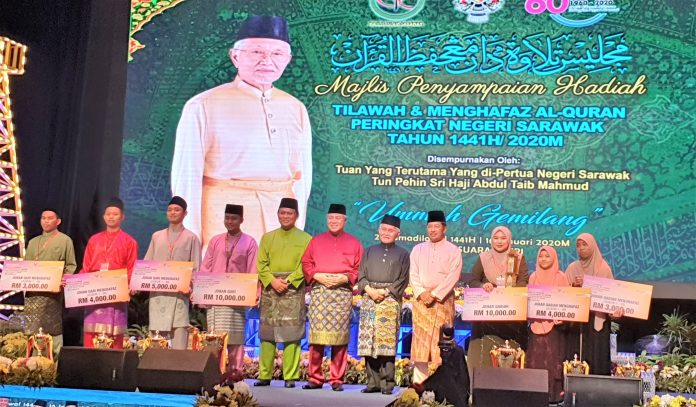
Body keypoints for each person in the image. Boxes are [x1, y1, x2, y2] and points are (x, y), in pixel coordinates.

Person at [171, 14, 312, 248]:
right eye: (257, 52)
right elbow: (186, 177)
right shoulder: (203, 104)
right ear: (235, 56)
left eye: (277, 54)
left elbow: (303, 179)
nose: (267, 61)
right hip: (224, 218)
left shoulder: (295, 107)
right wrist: (191, 242)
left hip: (280, 220)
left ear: (288, 59)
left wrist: (298, 230)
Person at [301, 204, 363, 391]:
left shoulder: (354, 243)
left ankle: (337, 379)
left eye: (338, 218)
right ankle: (315, 377)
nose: (334, 221)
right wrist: (317, 276)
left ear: (345, 220)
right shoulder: (316, 241)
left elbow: (359, 268)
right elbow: (306, 263)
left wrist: (345, 278)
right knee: (316, 338)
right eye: (331, 218)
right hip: (320, 292)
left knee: (340, 340)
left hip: (342, 293)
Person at [254, 198, 311, 388]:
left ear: (296, 215)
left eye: (289, 213)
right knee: (267, 334)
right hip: (270, 290)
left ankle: (290, 376)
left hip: (293, 289)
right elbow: (261, 264)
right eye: (282, 213)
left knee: (292, 334)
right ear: (278, 214)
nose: (285, 216)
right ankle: (264, 375)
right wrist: (272, 281)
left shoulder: (306, 238)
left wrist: (289, 280)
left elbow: (306, 264)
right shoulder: (267, 237)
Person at [198, 204, 258, 372]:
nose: (230, 221)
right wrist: (202, 293)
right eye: (227, 218)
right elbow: (206, 267)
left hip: (236, 300)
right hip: (215, 299)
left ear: (241, 220)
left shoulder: (249, 242)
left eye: (234, 218)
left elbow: (253, 270)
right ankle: (213, 373)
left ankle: (235, 374)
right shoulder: (215, 240)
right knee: (214, 339)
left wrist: (253, 294)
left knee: (235, 339)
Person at [357, 214, 409, 395]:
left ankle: (387, 384)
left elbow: (403, 279)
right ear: (379, 231)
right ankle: (372, 383)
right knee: (369, 342)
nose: (386, 233)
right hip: (369, 299)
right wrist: (370, 291)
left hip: (390, 300)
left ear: (398, 233)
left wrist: (385, 292)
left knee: (386, 343)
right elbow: (361, 276)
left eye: (390, 230)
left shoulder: (403, 254)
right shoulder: (369, 251)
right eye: (384, 229)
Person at [409, 210, 462, 384]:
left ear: (444, 229)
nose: (432, 230)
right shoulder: (417, 249)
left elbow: (453, 276)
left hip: (443, 301)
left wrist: (435, 294)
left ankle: (443, 386)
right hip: (421, 302)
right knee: (421, 346)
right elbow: (412, 274)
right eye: (430, 226)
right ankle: (419, 385)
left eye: (436, 226)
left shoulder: (454, 250)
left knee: (442, 345)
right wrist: (422, 293)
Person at [143, 196, 201, 349]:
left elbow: (196, 268)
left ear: (185, 213)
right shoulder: (157, 236)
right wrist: (139, 282)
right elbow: (147, 264)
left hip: (179, 296)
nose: (172, 212)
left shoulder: (191, 238)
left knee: (179, 338)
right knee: (156, 342)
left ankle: (178, 365)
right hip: (158, 294)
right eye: (169, 210)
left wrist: (191, 287)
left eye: (177, 210)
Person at [81, 197, 138, 349]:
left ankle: (113, 364)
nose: (111, 217)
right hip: (94, 293)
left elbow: (132, 268)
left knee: (114, 337)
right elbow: (85, 267)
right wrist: (75, 284)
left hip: (116, 295)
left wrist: (130, 285)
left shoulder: (130, 242)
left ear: (122, 217)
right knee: (91, 334)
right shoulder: (94, 240)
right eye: (108, 214)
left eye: (115, 214)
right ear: (104, 216)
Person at [565, 233, 622, 375]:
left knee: (596, 358)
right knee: (575, 359)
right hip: (576, 322)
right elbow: (564, 295)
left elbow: (611, 298)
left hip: (597, 320)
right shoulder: (572, 268)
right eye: (578, 245)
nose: (581, 248)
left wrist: (615, 313)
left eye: (584, 244)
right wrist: (574, 287)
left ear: (593, 246)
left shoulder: (603, 269)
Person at [23, 209, 77, 357]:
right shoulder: (33, 242)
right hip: (33, 294)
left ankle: (53, 364)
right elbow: (26, 267)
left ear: (58, 221)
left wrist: (64, 279)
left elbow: (71, 265)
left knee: (52, 328)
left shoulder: (65, 240)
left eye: (50, 218)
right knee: (32, 328)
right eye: (43, 218)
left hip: (52, 294)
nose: (46, 221)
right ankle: (32, 362)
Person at [469, 226, 529, 348]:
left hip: (511, 312)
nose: (499, 241)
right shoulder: (484, 257)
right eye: (496, 238)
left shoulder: (517, 257)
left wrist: (510, 294)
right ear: (491, 240)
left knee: (510, 352)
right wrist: (482, 286)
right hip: (487, 313)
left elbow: (523, 281)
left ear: (509, 240)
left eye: (503, 238)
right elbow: (472, 280)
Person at [526, 246, 568, 404]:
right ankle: (535, 397)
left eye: (547, 256)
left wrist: (562, 317)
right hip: (536, 327)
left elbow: (568, 302)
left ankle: (553, 397)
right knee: (535, 362)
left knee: (552, 362)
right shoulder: (533, 277)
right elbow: (529, 300)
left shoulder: (561, 277)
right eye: (541, 256)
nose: (543, 259)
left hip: (554, 330)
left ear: (554, 258)